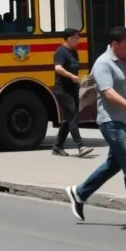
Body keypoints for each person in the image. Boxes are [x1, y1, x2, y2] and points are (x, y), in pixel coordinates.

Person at [66, 26, 126, 232]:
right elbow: (108, 93)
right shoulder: (103, 64)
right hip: (112, 122)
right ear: (114, 44)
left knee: (113, 165)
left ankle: (79, 193)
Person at [52, 29, 94, 157]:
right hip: (62, 90)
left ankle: (57, 147)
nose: (78, 40)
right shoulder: (60, 52)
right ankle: (81, 146)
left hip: (72, 89)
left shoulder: (74, 53)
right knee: (72, 117)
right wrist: (71, 76)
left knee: (69, 118)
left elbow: (75, 70)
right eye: (76, 38)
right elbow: (58, 68)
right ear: (69, 38)